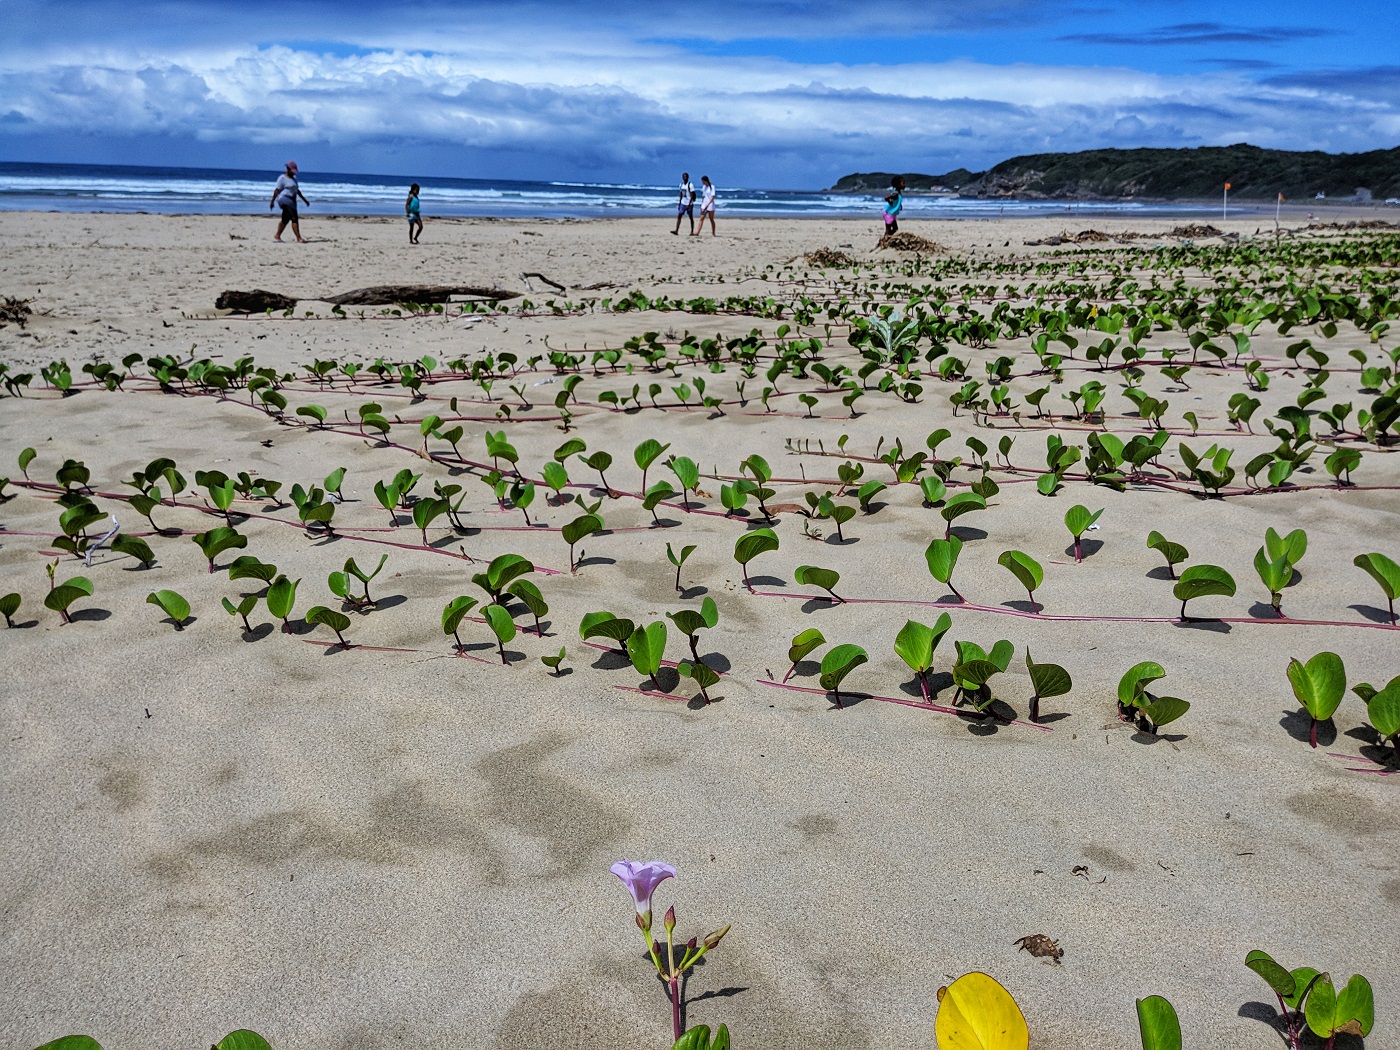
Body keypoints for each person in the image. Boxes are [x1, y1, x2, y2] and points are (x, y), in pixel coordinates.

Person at [270, 161, 310, 242]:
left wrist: (305, 200)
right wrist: (272, 201)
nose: (294, 173)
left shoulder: (294, 179)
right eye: (292, 171)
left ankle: (277, 236)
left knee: (285, 219)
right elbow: (277, 190)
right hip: (284, 199)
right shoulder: (282, 178)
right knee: (294, 217)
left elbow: (297, 191)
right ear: (288, 169)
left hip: (292, 200)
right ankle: (299, 238)